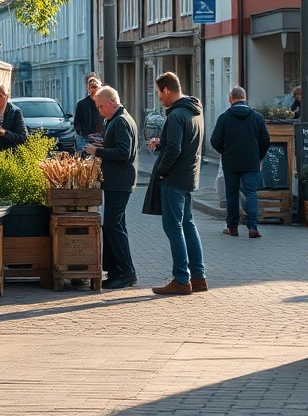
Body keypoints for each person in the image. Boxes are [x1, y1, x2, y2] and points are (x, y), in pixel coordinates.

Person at [146, 71, 206, 296]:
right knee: (188, 225)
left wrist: (161, 172)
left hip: (174, 178)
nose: (159, 98)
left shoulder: (175, 115)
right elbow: (183, 142)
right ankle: (198, 276)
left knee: (174, 227)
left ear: (167, 90)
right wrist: (163, 142)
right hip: (189, 176)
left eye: (159, 94)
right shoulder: (194, 111)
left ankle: (182, 278)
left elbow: (175, 149)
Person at [85, 85, 138, 289]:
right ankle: (116, 271)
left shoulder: (121, 121)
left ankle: (126, 272)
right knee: (116, 226)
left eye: (100, 107)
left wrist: (97, 152)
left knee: (113, 226)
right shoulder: (119, 119)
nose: (99, 111)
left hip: (119, 182)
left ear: (111, 103)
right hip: (118, 182)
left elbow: (123, 152)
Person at [210, 86, 271, 239]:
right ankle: (252, 227)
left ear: (231, 98)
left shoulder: (224, 117)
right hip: (251, 161)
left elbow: (215, 140)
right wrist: (258, 157)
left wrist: (225, 152)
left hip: (231, 162)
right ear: (245, 98)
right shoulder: (256, 117)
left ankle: (232, 227)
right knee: (251, 193)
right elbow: (265, 139)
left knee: (231, 193)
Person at [73, 75, 105, 153]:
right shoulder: (82, 104)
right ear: (88, 88)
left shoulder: (104, 102)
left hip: (100, 136)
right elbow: (77, 121)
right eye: (92, 88)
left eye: (96, 88)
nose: (94, 91)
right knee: (84, 159)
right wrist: (79, 131)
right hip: (85, 136)